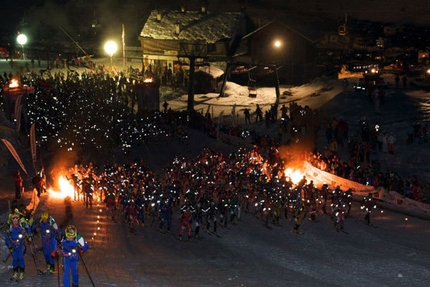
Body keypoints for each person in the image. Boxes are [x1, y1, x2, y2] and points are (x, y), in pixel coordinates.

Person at [5, 212, 30, 281]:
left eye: (17, 219)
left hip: (20, 246)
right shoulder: (10, 229)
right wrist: (9, 246)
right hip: (13, 247)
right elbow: (7, 238)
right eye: (14, 219)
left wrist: (28, 236)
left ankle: (22, 272)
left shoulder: (21, 227)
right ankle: (15, 272)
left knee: (20, 257)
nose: (15, 221)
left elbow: (27, 230)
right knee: (15, 259)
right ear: (11, 220)